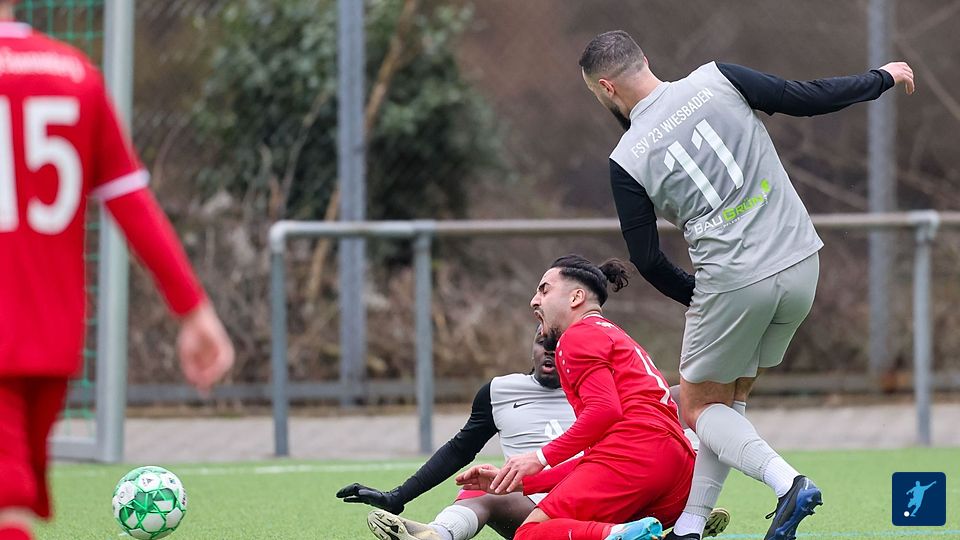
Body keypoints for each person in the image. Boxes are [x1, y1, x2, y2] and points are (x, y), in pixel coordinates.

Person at [576, 30, 916, 540]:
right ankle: (690, 525)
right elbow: (806, 98)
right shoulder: (718, 78)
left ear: (606, 88)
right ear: (644, 58)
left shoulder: (626, 158)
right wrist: (880, 78)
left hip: (734, 284)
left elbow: (646, 257)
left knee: (696, 406)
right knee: (728, 401)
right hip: (801, 262)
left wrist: (699, 296)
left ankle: (788, 484)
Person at [0, 4, 235, 540]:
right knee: (11, 502)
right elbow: (131, 201)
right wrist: (193, 309)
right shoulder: (75, 74)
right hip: (53, 341)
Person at [464, 255, 698, 540]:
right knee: (582, 529)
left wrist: (539, 457)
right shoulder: (615, 335)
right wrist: (523, 484)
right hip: (677, 469)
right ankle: (623, 532)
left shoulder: (576, 336)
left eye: (544, 290)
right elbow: (598, 457)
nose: (534, 301)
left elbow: (604, 411)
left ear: (576, 297)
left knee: (531, 533)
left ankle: (618, 534)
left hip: (635, 457)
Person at [337, 328, 577, 540]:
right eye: (541, 342)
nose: (549, 350)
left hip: (585, 506)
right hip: (530, 510)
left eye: (557, 344)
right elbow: (459, 450)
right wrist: (397, 497)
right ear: (531, 349)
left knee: (493, 487)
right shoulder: (499, 392)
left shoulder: (592, 392)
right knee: (483, 485)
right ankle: (436, 534)